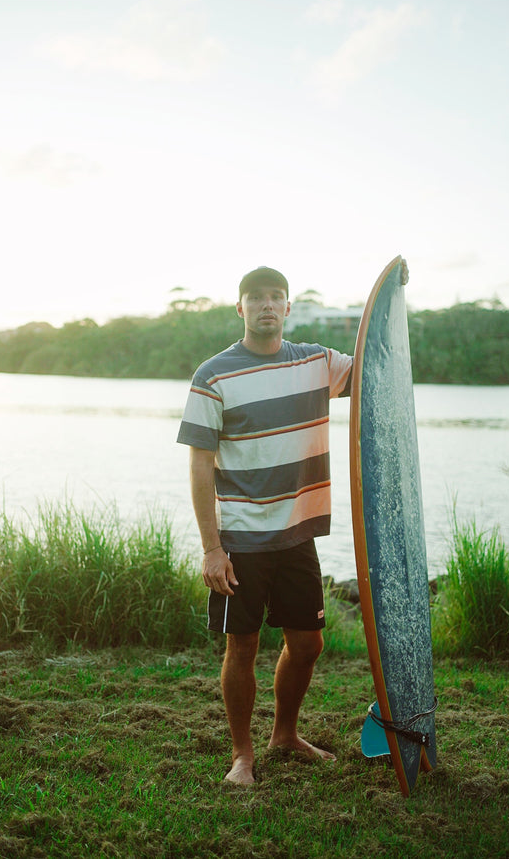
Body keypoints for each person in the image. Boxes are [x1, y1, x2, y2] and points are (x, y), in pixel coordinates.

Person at [177, 266, 352, 785]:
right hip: (243, 540)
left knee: (308, 644)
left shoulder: (317, 363)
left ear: (289, 308)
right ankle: (242, 755)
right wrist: (212, 548)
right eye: (256, 298)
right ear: (241, 308)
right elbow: (200, 464)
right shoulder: (214, 375)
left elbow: (375, 369)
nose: (267, 305)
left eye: (277, 297)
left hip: (298, 534)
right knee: (243, 646)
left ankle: (285, 735)